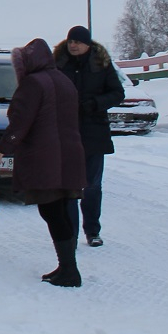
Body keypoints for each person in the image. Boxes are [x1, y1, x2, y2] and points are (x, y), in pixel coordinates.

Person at [0, 38, 87, 287]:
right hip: (69, 155)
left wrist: (3, 149)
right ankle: (68, 266)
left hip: (44, 157)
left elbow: (21, 122)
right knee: (61, 210)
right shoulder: (63, 80)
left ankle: (69, 270)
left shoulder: (33, 84)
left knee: (51, 210)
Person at [53, 25, 124, 247]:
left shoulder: (101, 64)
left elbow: (117, 93)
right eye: (70, 41)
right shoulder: (58, 64)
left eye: (77, 42)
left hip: (94, 132)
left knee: (92, 185)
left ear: (87, 44)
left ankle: (92, 230)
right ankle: (70, 233)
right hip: (65, 132)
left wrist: (94, 104)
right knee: (69, 185)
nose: (73, 45)